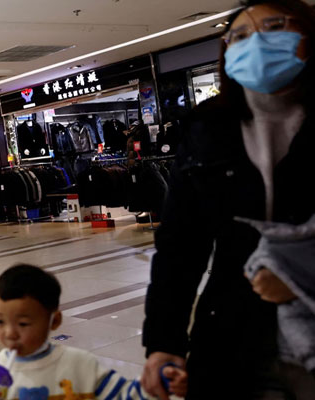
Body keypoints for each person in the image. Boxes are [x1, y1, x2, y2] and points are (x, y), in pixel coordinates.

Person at [142, 1, 315, 399]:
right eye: (238, 36)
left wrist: (302, 275)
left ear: (307, 33)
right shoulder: (207, 129)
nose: (254, 43)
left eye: (273, 26)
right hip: (232, 332)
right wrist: (163, 343)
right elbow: (179, 249)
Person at [0, 265, 187, 399]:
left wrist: (162, 378)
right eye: (0, 321)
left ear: (55, 321)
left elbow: (124, 395)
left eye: (23, 324)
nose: (10, 333)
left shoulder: (80, 365)